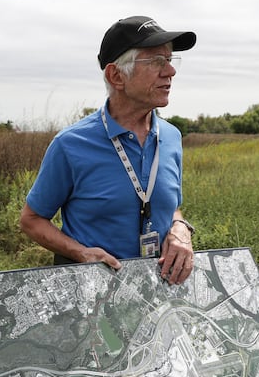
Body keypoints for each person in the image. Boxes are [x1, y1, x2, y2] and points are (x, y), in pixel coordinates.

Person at [19, 15, 196, 285]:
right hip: (91, 300)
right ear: (116, 75)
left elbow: (171, 207)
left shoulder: (171, 137)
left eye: (170, 61)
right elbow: (31, 220)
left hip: (158, 294)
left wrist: (181, 229)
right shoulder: (71, 144)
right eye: (156, 62)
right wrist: (80, 253)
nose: (170, 72)